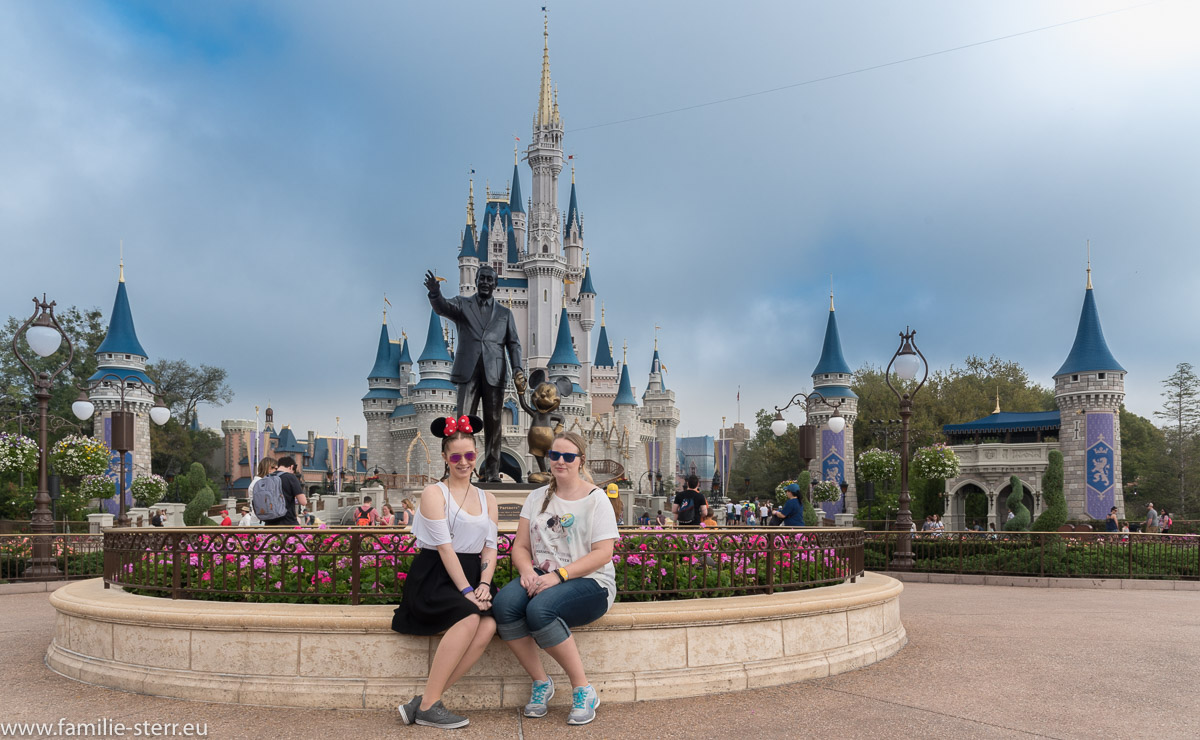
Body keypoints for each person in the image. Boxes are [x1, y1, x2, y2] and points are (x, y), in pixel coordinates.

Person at [492, 432, 618, 726]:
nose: (561, 461)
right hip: (542, 574)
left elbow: (603, 553)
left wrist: (558, 575)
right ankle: (541, 682)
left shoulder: (596, 499)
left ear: (580, 460)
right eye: (555, 456)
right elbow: (521, 547)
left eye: (568, 456)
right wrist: (526, 571)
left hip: (591, 581)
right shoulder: (536, 497)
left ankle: (583, 689)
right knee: (505, 605)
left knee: (540, 609)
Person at [394, 415, 498, 729]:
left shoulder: (488, 497)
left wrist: (483, 584)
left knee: (489, 624)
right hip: (435, 575)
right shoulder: (433, 493)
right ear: (444, 458)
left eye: (469, 455)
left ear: (476, 454)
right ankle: (429, 706)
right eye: (456, 457)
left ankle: (425, 702)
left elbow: (489, 548)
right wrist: (468, 592)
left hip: (470, 574)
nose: (463, 462)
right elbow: (444, 548)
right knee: (469, 616)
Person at [424, 266, 527, 483]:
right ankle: (456, 469)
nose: (486, 283)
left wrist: (517, 368)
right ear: (476, 280)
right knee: (462, 422)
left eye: (490, 279)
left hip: (495, 372)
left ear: (495, 284)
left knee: (494, 422)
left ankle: (491, 471)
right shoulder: (463, 304)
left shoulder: (505, 314)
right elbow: (442, 307)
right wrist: (435, 293)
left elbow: (514, 344)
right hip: (468, 371)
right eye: (482, 278)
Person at [262, 456, 306, 526]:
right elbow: (303, 502)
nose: (293, 472)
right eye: (293, 470)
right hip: (287, 522)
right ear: (291, 467)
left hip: (269, 523)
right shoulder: (290, 477)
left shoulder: (267, 477)